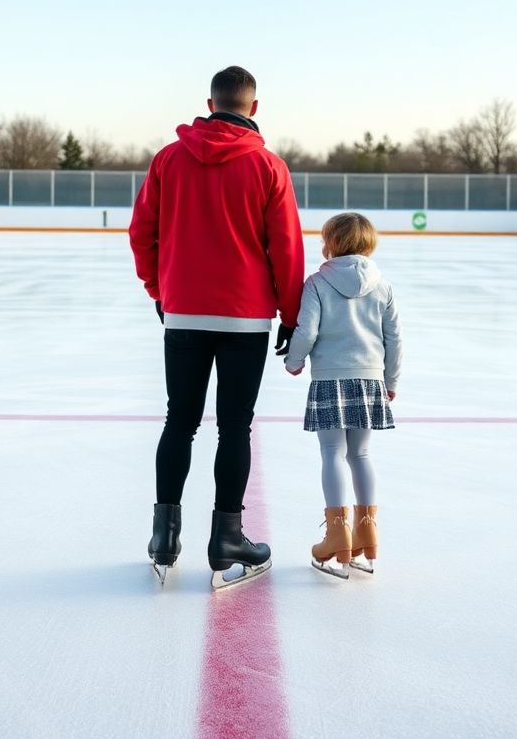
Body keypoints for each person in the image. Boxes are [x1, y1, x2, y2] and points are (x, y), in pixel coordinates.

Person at [129, 66, 305, 588]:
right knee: (235, 426)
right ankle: (227, 536)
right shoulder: (269, 166)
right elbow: (287, 250)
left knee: (178, 421)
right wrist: (292, 319)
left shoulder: (169, 159)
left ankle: (165, 534)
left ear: (210, 103)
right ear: (253, 108)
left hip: (183, 311)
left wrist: (160, 292)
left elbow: (143, 233)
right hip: (246, 319)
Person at [283, 212, 401, 579]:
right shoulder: (383, 286)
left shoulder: (318, 282)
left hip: (330, 378)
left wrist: (293, 360)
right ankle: (367, 531)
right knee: (361, 453)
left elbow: (307, 329)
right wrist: (391, 380)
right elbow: (394, 338)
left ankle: (338, 535)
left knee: (332, 452)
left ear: (330, 243)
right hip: (369, 379)